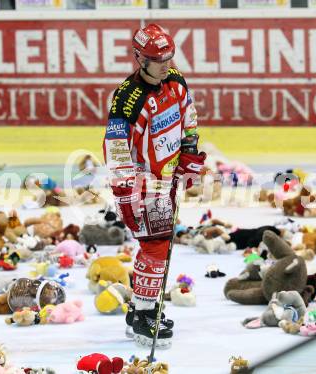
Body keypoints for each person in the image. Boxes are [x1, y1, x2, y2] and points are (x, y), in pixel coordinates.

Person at [102, 24, 206, 347]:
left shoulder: (175, 81)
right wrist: (125, 191)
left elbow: (188, 117)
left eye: (168, 57)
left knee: (159, 244)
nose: (166, 64)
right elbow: (116, 146)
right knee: (156, 246)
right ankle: (147, 315)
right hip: (145, 184)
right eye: (158, 59)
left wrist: (189, 157)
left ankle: (139, 311)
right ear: (139, 59)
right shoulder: (127, 99)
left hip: (170, 178)